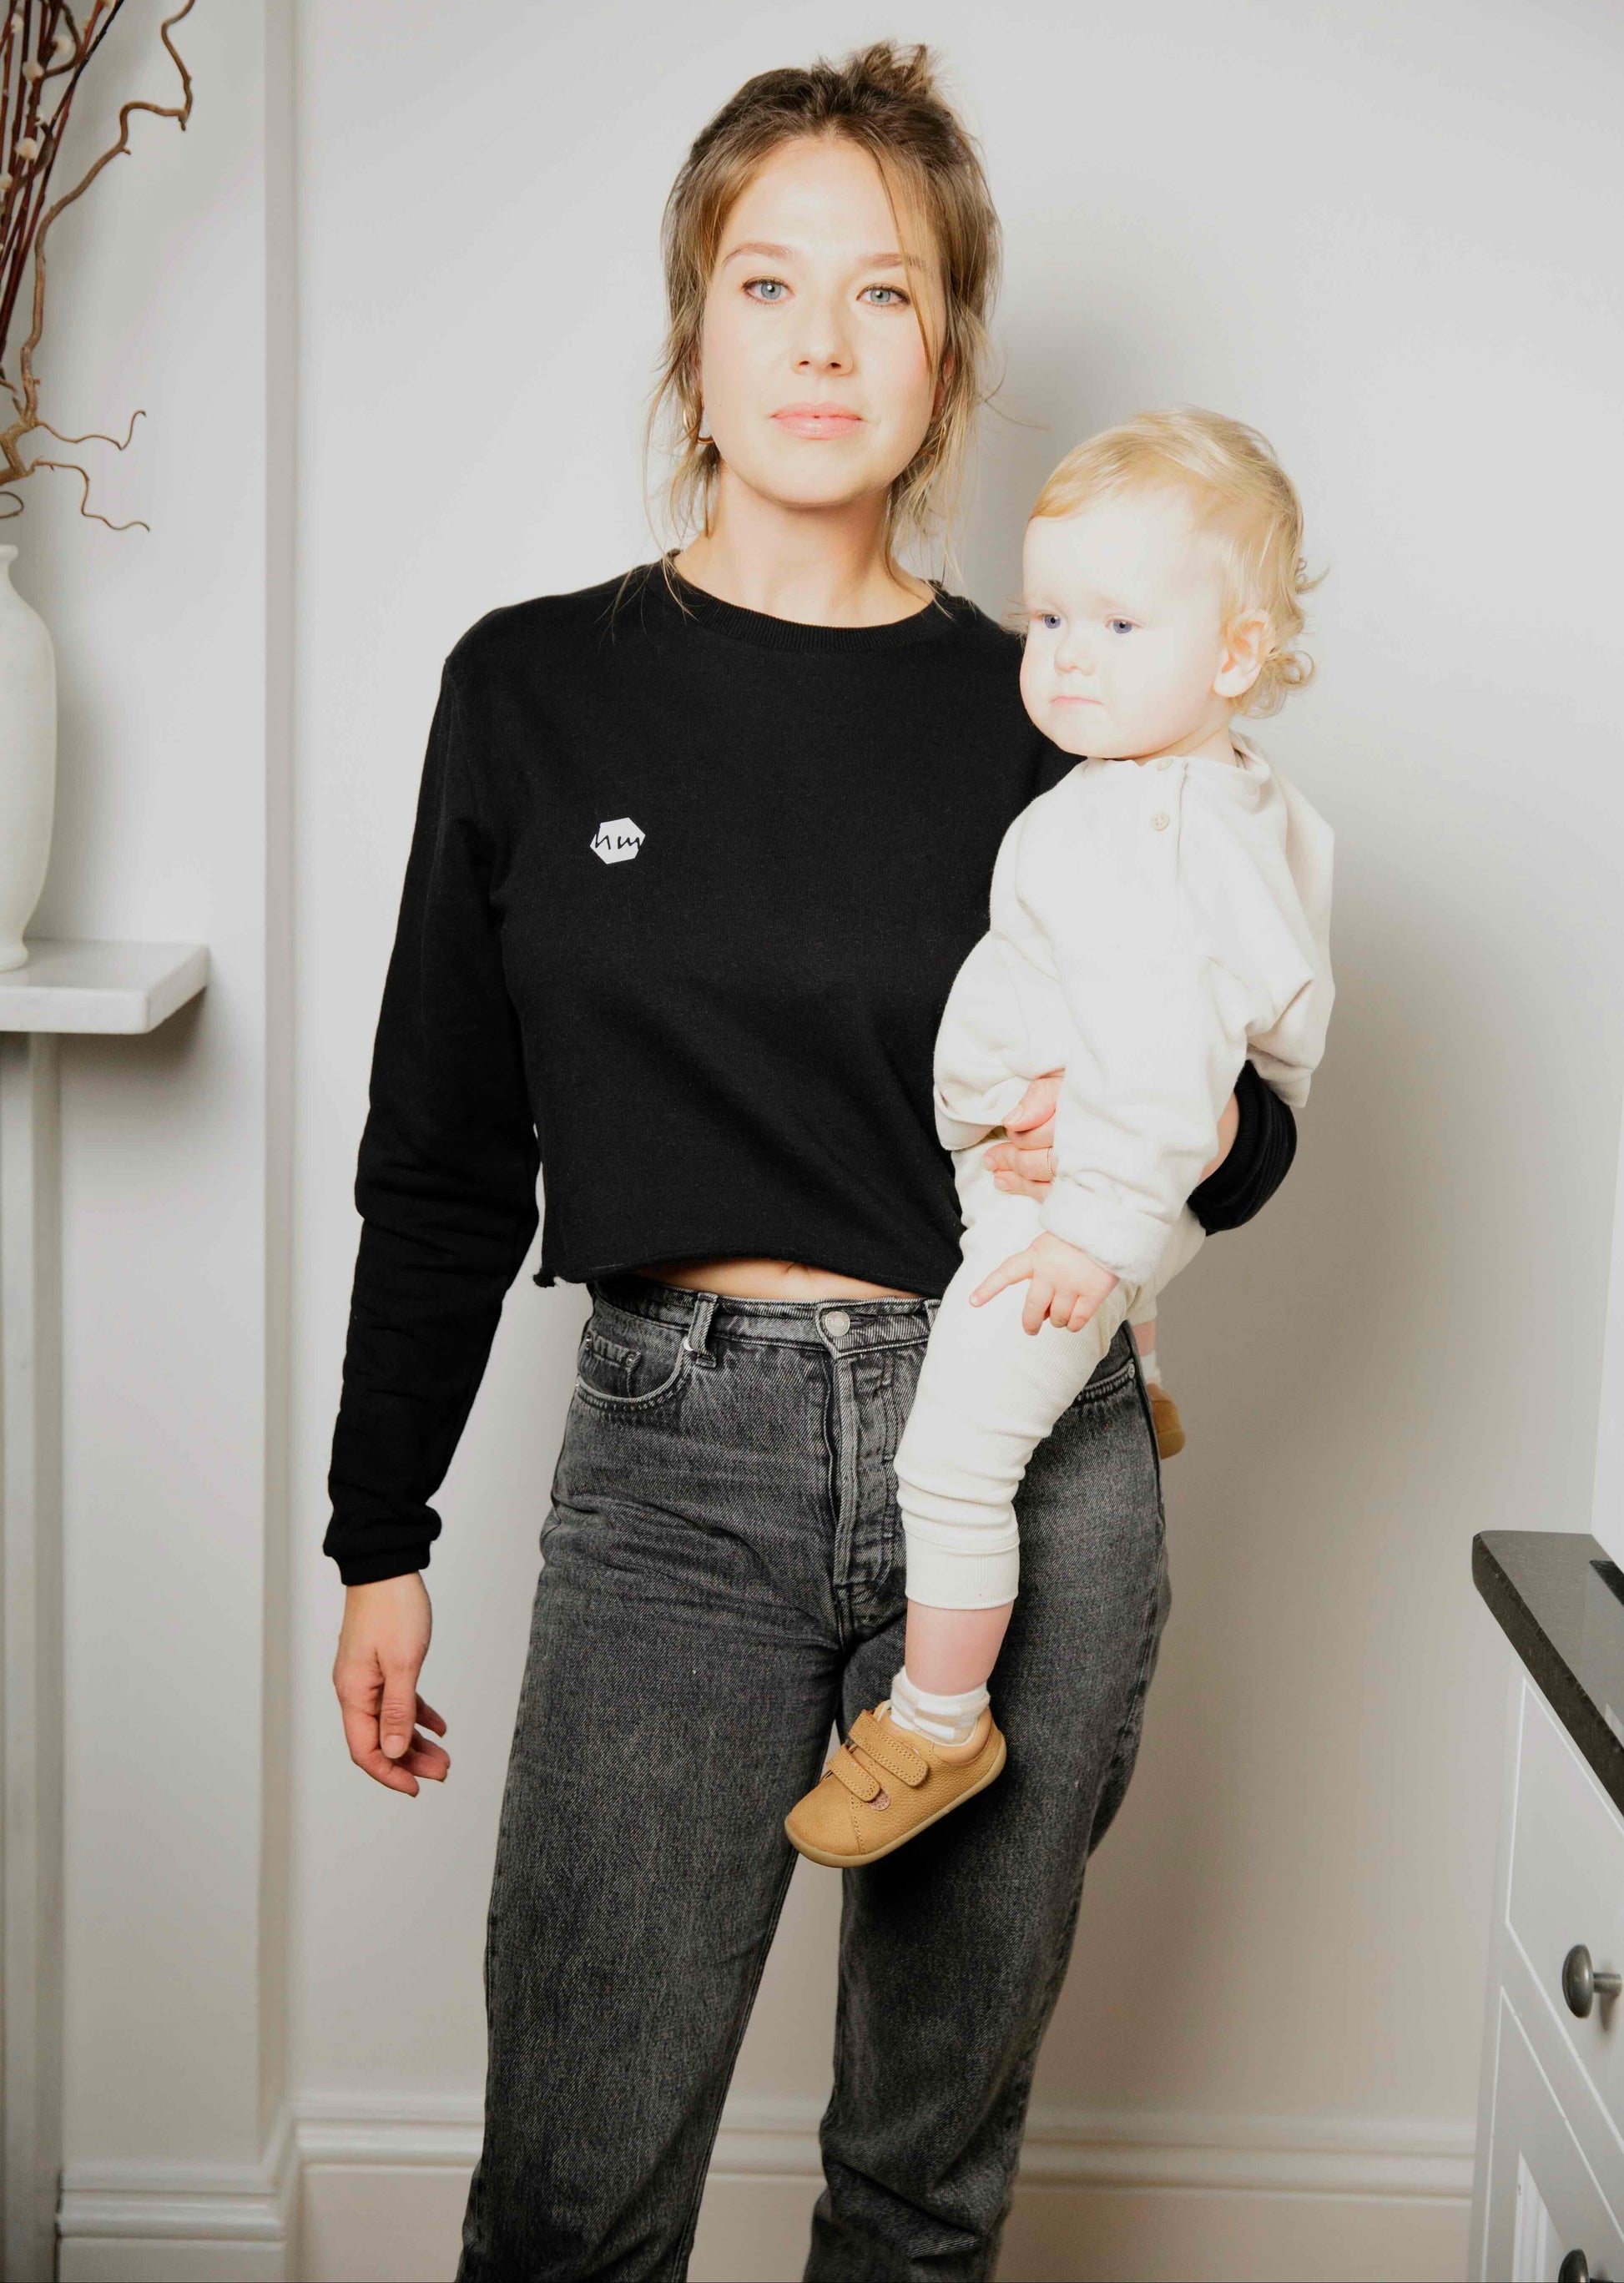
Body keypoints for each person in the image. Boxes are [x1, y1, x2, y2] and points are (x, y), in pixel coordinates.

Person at [323, 43, 1299, 2281]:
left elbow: (1230, 1139)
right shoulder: (531, 691)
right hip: (673, 1470)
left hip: (1033, 1462)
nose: (822, 343)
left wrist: (1202, 1116)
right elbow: (442, 1153)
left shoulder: (1053, 716)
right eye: (770, 284)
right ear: (694, 327)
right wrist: (381, 1528)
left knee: (922, 2196)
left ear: (946, 344)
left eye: (882, 292)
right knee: (573, 2201)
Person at [784, 409, 1334, 1869]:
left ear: (1232, 656)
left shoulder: (1148, 831)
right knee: (1044, 1281)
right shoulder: (1181, 790)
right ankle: (1138, 1368)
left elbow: (1163, 1074)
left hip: (1077, 1208)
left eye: (1115, 620)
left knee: (950, 1465)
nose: (1065, 653)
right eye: (1046, 616)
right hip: (1080, 1192)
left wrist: (1092, 1232)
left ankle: (938, 1718)